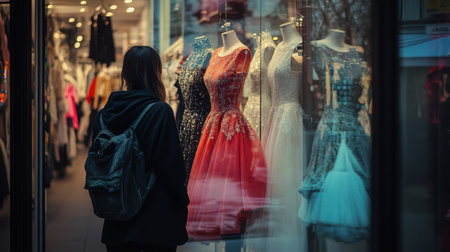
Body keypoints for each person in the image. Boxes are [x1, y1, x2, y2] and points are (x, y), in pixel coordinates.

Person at [91, 46, 189, 252]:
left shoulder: (103, 116)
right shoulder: (160, 111)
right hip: (157, 219)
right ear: (157, 73)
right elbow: (171, 167)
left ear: (126, 74)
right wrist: (183, 200)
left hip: (117, 217)